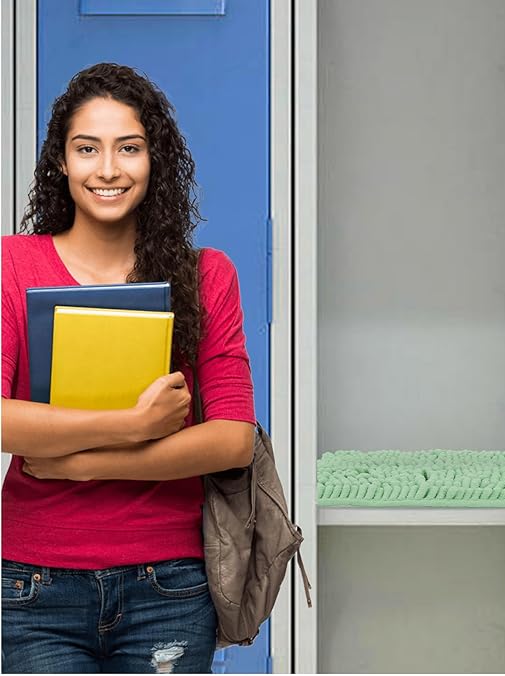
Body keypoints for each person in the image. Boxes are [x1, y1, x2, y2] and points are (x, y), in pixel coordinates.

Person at [1, 62, 256, 673]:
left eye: (130, 149)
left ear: (155, 159)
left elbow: (234, 439)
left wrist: (88, 463)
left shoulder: (205, 274)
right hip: (32, 583)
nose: (108, 169)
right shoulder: (11, 266)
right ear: (61, 162)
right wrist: (132, 422)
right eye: (87, 149)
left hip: (169, 584)